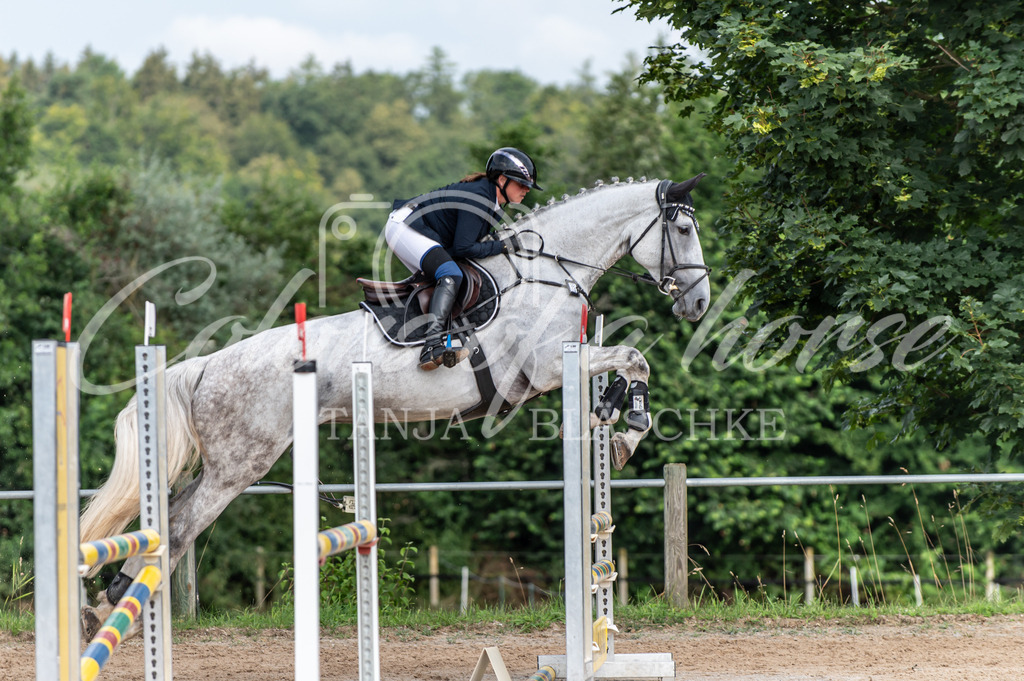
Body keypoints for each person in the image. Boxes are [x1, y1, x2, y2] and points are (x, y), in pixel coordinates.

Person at [384, 147, 543, 370]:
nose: (526, 190)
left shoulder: (490, 198)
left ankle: (445, 343)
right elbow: (463, 247)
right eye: (521, 184)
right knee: (449, 273)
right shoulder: (480, 198)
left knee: (451, 279)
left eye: (527, 186)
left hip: (418, 229)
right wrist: (503, 246)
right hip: (405, 226)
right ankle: (431, 347)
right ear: (502, 179)